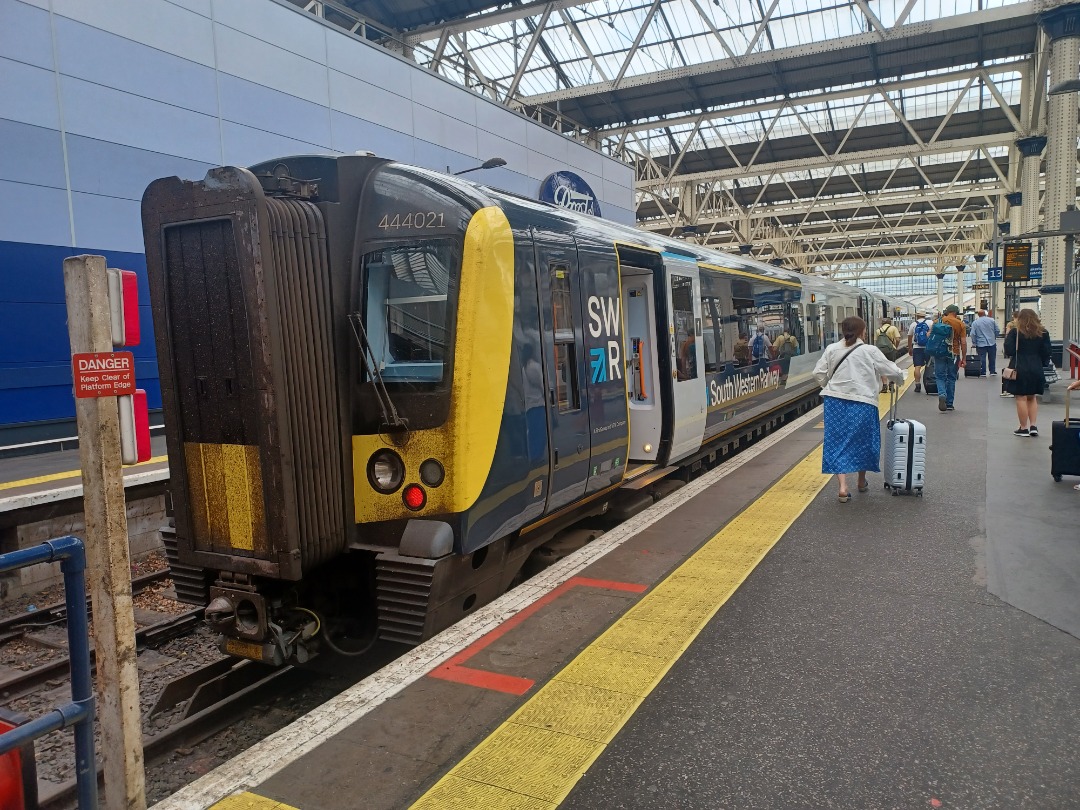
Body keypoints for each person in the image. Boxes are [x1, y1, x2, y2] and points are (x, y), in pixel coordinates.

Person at [813, 315, 905, 503]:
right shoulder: (869, 350)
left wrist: (829, 385)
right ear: (863, 331)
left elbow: (818, 373)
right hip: (863, 402)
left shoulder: (831, 349)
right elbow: (891, 371)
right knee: (863, 440)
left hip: (834, 402)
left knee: (837, 441)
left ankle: (842, 487)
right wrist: (901, 378)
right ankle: (861, 481)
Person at [1002, 308, 1051, 437]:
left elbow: (1009, 351)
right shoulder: (1043, 332)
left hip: (1020, 367)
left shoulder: (1016, 332)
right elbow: (1046, 352)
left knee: (1021, 398)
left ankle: (1023, 428)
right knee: (1032, 397)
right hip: (1036, 367)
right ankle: (1033, 426)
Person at [933, 304, 967, 412]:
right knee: (951, 377)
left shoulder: (937, 322)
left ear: (947, 312)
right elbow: (963, 342)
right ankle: (949, 403)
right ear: (956, 313)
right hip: (954, 352)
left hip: (939, 352)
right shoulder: (960, 324)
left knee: (939, 376)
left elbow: (930, 336)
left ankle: (942, 394)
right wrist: (964, 358)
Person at [906, 311, 933, 393]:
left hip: (917, 348)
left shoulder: (913, 324)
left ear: (917, 316)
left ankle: (917, 385)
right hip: (928, 347)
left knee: (917, 367)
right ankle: (929, 383)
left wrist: (910, 348)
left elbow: (910, 337)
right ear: (924, 316)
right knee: (929, 366)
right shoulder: (930, 323)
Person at [968, 309, 999, 377]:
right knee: (992, 357)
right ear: (985, 314)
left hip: (980, 343)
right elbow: (997, 330)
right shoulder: (992, 320)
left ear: (978, 315)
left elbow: (973, 334)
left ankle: (983, 371)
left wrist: (974, 342)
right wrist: (994, 337)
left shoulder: (975, 323)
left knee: (982, 357)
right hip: (992, 342)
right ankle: (992, 371)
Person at [1000, 309, 1021, 397]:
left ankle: (1008, 390)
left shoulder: (1011, 324)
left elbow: (1007, 334)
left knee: (1011, 369)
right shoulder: (1024, 325)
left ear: (1013, 316)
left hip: (1015, 351)